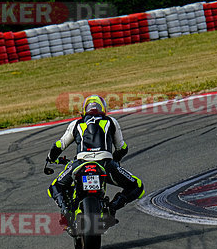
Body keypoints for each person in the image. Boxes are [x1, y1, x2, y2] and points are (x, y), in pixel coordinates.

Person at [46, 95, 144, 226]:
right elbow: (122, 148)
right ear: (103, 109)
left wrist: (50, 158)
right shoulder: (111, 121)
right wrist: (115, 161)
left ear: (84, 110)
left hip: (80, 163)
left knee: (55, 186)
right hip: (105, 164)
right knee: (137, 186)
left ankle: (66, 210)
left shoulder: (76, 123)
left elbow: (59, 145)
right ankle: (113, 206)